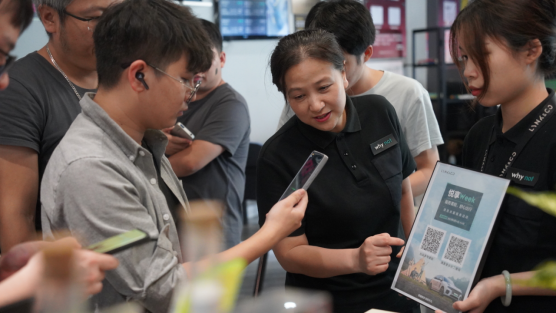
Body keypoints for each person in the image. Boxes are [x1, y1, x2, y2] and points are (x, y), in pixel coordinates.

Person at [41, 1, 307, 312]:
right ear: (139, 75)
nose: (190, 95)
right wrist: (269, 234)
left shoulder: (145, 142)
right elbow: (166, 289)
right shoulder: (91, 168)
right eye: (186, 80)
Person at [258, 29, 417, 313]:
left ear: (343, 75)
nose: (315, 105)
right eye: (298, 96)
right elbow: (290, 253)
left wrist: (417, 253)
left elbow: (403, 189)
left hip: (395, 293)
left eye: (323, 87)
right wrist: (356, 259)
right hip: (325, 301)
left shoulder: (380, 112)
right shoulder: (279, 155)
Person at [434, 0, 556, 312]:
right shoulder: (479, 135)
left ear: (531, 51)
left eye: (481, 55)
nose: (469, 71)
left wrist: (500, 285)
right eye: (463, 58)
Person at [277, 0, 442, 197]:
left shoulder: (407, 93)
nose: (315, 103)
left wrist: (366, 199)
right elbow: (286, 169)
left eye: (340, 62)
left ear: (367, 53)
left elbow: (429, 170)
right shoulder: (305, 102)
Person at [0, 0, 121, 253]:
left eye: (119, 17)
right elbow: (15, 221)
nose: (114, 32)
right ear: (49, 18)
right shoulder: (18, 90)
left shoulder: (121, 77)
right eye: (96, 20)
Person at [165, 19, 250, 249]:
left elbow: (192, 161)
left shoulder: (231, 104)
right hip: (175, 226)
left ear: (221, 59)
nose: (197, 67)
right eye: (190, 58)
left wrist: (149, 161)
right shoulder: (172, 100)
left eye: (205, 57)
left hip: (215, 232)